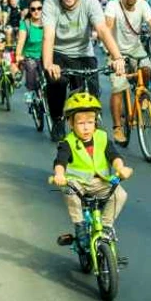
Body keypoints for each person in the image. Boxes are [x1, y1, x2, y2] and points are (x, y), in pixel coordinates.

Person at [41, 0, 126, 142]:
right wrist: (49, 64)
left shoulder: (90, 1)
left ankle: (90, 124)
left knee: (91, 91)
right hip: (59, 52)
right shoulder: (50, 2)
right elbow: (48, 35)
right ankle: (57, 119)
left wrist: (117, 57)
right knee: (57, 81)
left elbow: (102, 29)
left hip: (83, 53)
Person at [52, 92, 133, 244]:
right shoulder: (67, 142)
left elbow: (114, 156)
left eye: (90, 122)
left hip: (100, 182)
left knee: (120, 195)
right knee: (69, 193)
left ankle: (106, 226)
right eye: (81, 123)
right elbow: (60, 161)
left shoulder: (102, 137)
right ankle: (80, 225)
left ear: (96, 121)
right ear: (71, 123)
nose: (86, 127)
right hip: (78, 184)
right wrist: (59, 175)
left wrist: (120, 168)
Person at [105, 0, 151, 143]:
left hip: (135, 48)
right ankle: (117, 127)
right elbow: (107, 28)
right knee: (118, 86)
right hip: (115, 50)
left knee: (147, 67)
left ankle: (141, 95)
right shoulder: (113, 5)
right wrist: (115, 56)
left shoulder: (142, 5)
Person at [15, 0, 44, 104]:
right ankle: (30, 92)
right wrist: (18, 55)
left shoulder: (48, 22)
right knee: (31, 67)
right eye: (33, 9)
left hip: (45, 56)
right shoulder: (25, 24)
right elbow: (21, 42)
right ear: (30, 11)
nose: (36, 11)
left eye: (39, 8)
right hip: (29, 56)